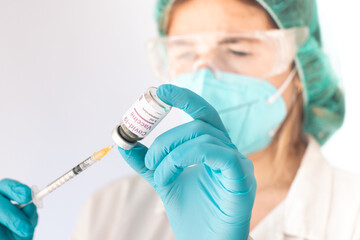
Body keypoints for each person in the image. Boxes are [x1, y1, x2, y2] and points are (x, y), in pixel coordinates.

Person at [1, 0, 360, 239]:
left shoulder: (352, 212)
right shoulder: (112, 211)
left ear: (301, 68)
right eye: (185, 52)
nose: (205, 75)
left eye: (237, 49)